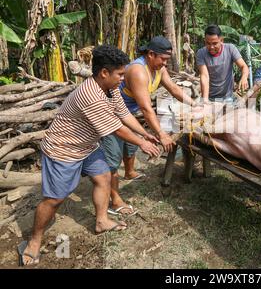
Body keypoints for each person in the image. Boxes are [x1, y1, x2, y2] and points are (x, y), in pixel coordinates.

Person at [18, 45, 161, 266]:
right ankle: (34, 241)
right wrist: (142, 142)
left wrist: (146, 134)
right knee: (55, 199)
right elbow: (115, 128)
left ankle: (102, 221)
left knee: (103, 177)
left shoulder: (111, 88)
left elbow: (123, 113)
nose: (123, 79)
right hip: (64, 149)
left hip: (87, 146)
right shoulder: (90, 95)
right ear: (104, 72)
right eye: (120, 74)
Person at [101, 36, 196, 215]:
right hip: (112, 116)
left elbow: (174, 89)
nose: (165, 64)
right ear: (151, 54)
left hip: (128, 115)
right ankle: (114, 200)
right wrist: (161, 134)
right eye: (163, 59)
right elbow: (145, 107)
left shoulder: (159, 68)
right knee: (113, 158)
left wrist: (195, 104)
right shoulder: (138, 70)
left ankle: (129, 172)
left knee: (131, 146)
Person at [197, 24, 249, 102]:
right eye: (208, 43)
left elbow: (243, 66)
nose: (211, 47)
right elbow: (204, 76)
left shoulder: (230, 49)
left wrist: (244, 77)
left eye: (215, 43)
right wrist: (205, 99)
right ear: (205, 41)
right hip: (209, 97)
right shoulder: (201, 53)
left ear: (221, 40)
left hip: (227, 97)